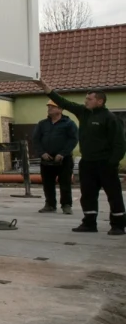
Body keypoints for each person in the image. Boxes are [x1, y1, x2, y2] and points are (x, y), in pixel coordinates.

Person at [37, 80, 126, 235]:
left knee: (113, 194)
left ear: (100, 101)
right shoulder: (83, 112)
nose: (86, 101)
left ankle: (118, 225)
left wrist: (112, 163)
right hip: (88, 163)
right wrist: (47, 89)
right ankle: (89, 223)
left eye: (89, 99)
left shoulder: (110, 118)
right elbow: (64, 102)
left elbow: (120, 143)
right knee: (88, 194)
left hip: (105, 163)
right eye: (86, 99)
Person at [32, 102, 77, 214]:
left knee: (65, 183)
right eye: (48, 107)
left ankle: (66, 205)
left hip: (63, 159)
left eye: (52, 107)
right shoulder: (42, 124)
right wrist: (42, 153)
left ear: (60, 109)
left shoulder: (69, 124)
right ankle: (50, 204)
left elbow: (73, 140)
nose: (49, 108)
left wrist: (62, 153)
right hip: (46, 159)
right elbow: (36, 140)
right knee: (48, 184)